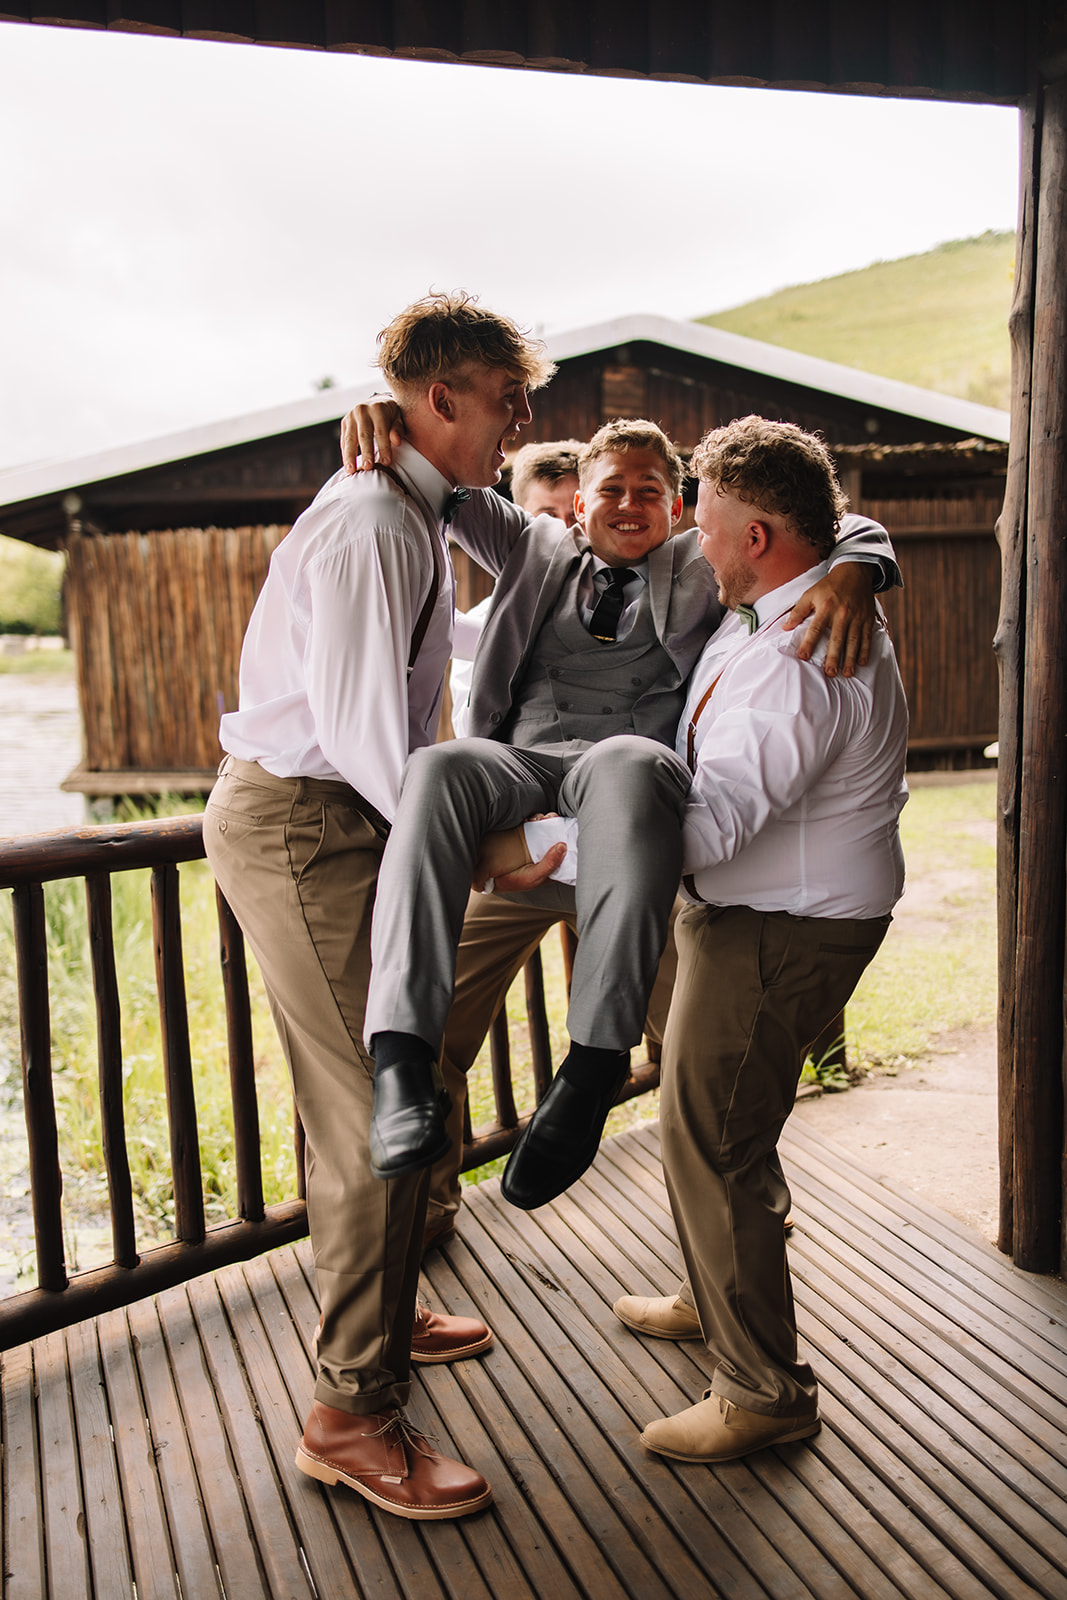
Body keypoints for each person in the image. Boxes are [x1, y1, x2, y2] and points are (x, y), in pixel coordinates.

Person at [344, 405, 899, 1213]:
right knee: (434, 771)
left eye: (651, 489)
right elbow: (439, 477)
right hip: (522, 770)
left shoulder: (704, 558)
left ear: (677, 506)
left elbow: (809, 518)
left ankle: (595, 1069)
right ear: (577, 502)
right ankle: (400, 1067)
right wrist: (379, 413)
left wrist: (861, 566)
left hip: (624, 808)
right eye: (611, 489)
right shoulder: (528, 542)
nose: (630, 504)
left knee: (701, 1052)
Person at [491, 415, 908, 1463]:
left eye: (706, 522)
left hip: (780, 928)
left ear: (758, 537)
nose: (691, 538)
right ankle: (709, 1291)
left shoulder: (794, 655)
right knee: (717, 1121)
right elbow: (839, 521)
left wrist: (538, 843)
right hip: (756, 913)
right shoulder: (775, 599)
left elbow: (707, 825)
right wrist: (858, 559)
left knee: (713, 1135)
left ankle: (762, 1389)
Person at [202, 289, 555, 1521]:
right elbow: (362, 734)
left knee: (367, 1087)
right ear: (440, 397)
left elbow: (526, 562)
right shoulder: (372, 522)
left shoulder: (423, 504)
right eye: (507, 403)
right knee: (379, 1104)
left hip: (342, 818)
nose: (519, 425)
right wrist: (492, 837)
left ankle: (386, 1302)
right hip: (306, 822)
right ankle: (352, 1413)